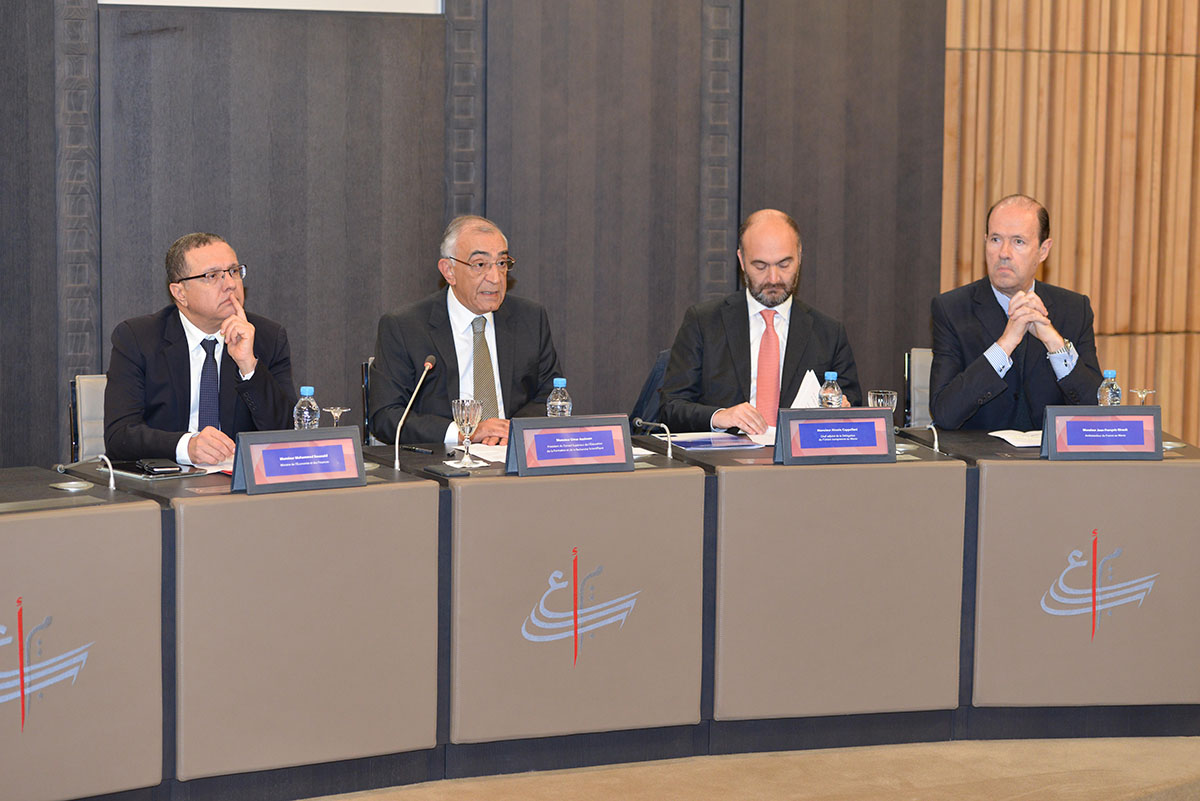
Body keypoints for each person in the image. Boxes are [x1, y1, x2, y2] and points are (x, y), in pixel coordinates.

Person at [659, 208, 861, 434]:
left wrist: (843, 411)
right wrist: (720, 416)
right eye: (760, 266)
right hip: (724, 454)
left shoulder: (829, 334)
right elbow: (671, 407)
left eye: (784, 264)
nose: (773, 279)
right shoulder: (703, 323)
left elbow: (854, 408)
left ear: (799, 257)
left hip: (797, 454)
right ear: (742, 261)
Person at [104, 233, 297, 465]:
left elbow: (287, 436)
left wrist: (249, 366)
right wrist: (187, 446)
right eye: (212, 276)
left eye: (234, 271)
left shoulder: (267, 337)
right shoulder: (138, 338)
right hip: (169, 478)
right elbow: (120, 436)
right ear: (180, 293)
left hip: (238, 481)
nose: (230, 284)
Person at [369, 215, 563, 446]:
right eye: (480, 264)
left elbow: (551, 397)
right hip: (443, 459)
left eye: (501, 263)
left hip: (512, 452)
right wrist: (463, 433)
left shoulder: (530, 318)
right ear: (448, 271)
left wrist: (509, 430)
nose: (495, 278)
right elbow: (386, 416)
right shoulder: (405, 327)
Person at [929, 194, 1102, 430]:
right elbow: (945, 413)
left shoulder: (1074, 309)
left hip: (1049, 453)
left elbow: (1098, 411)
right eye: (995, 239)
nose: (1004, 253)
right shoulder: (952, 309)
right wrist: (1005, 345)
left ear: (1043, 250)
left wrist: (1055, 344)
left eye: (1018, 241)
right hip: (981, 452)